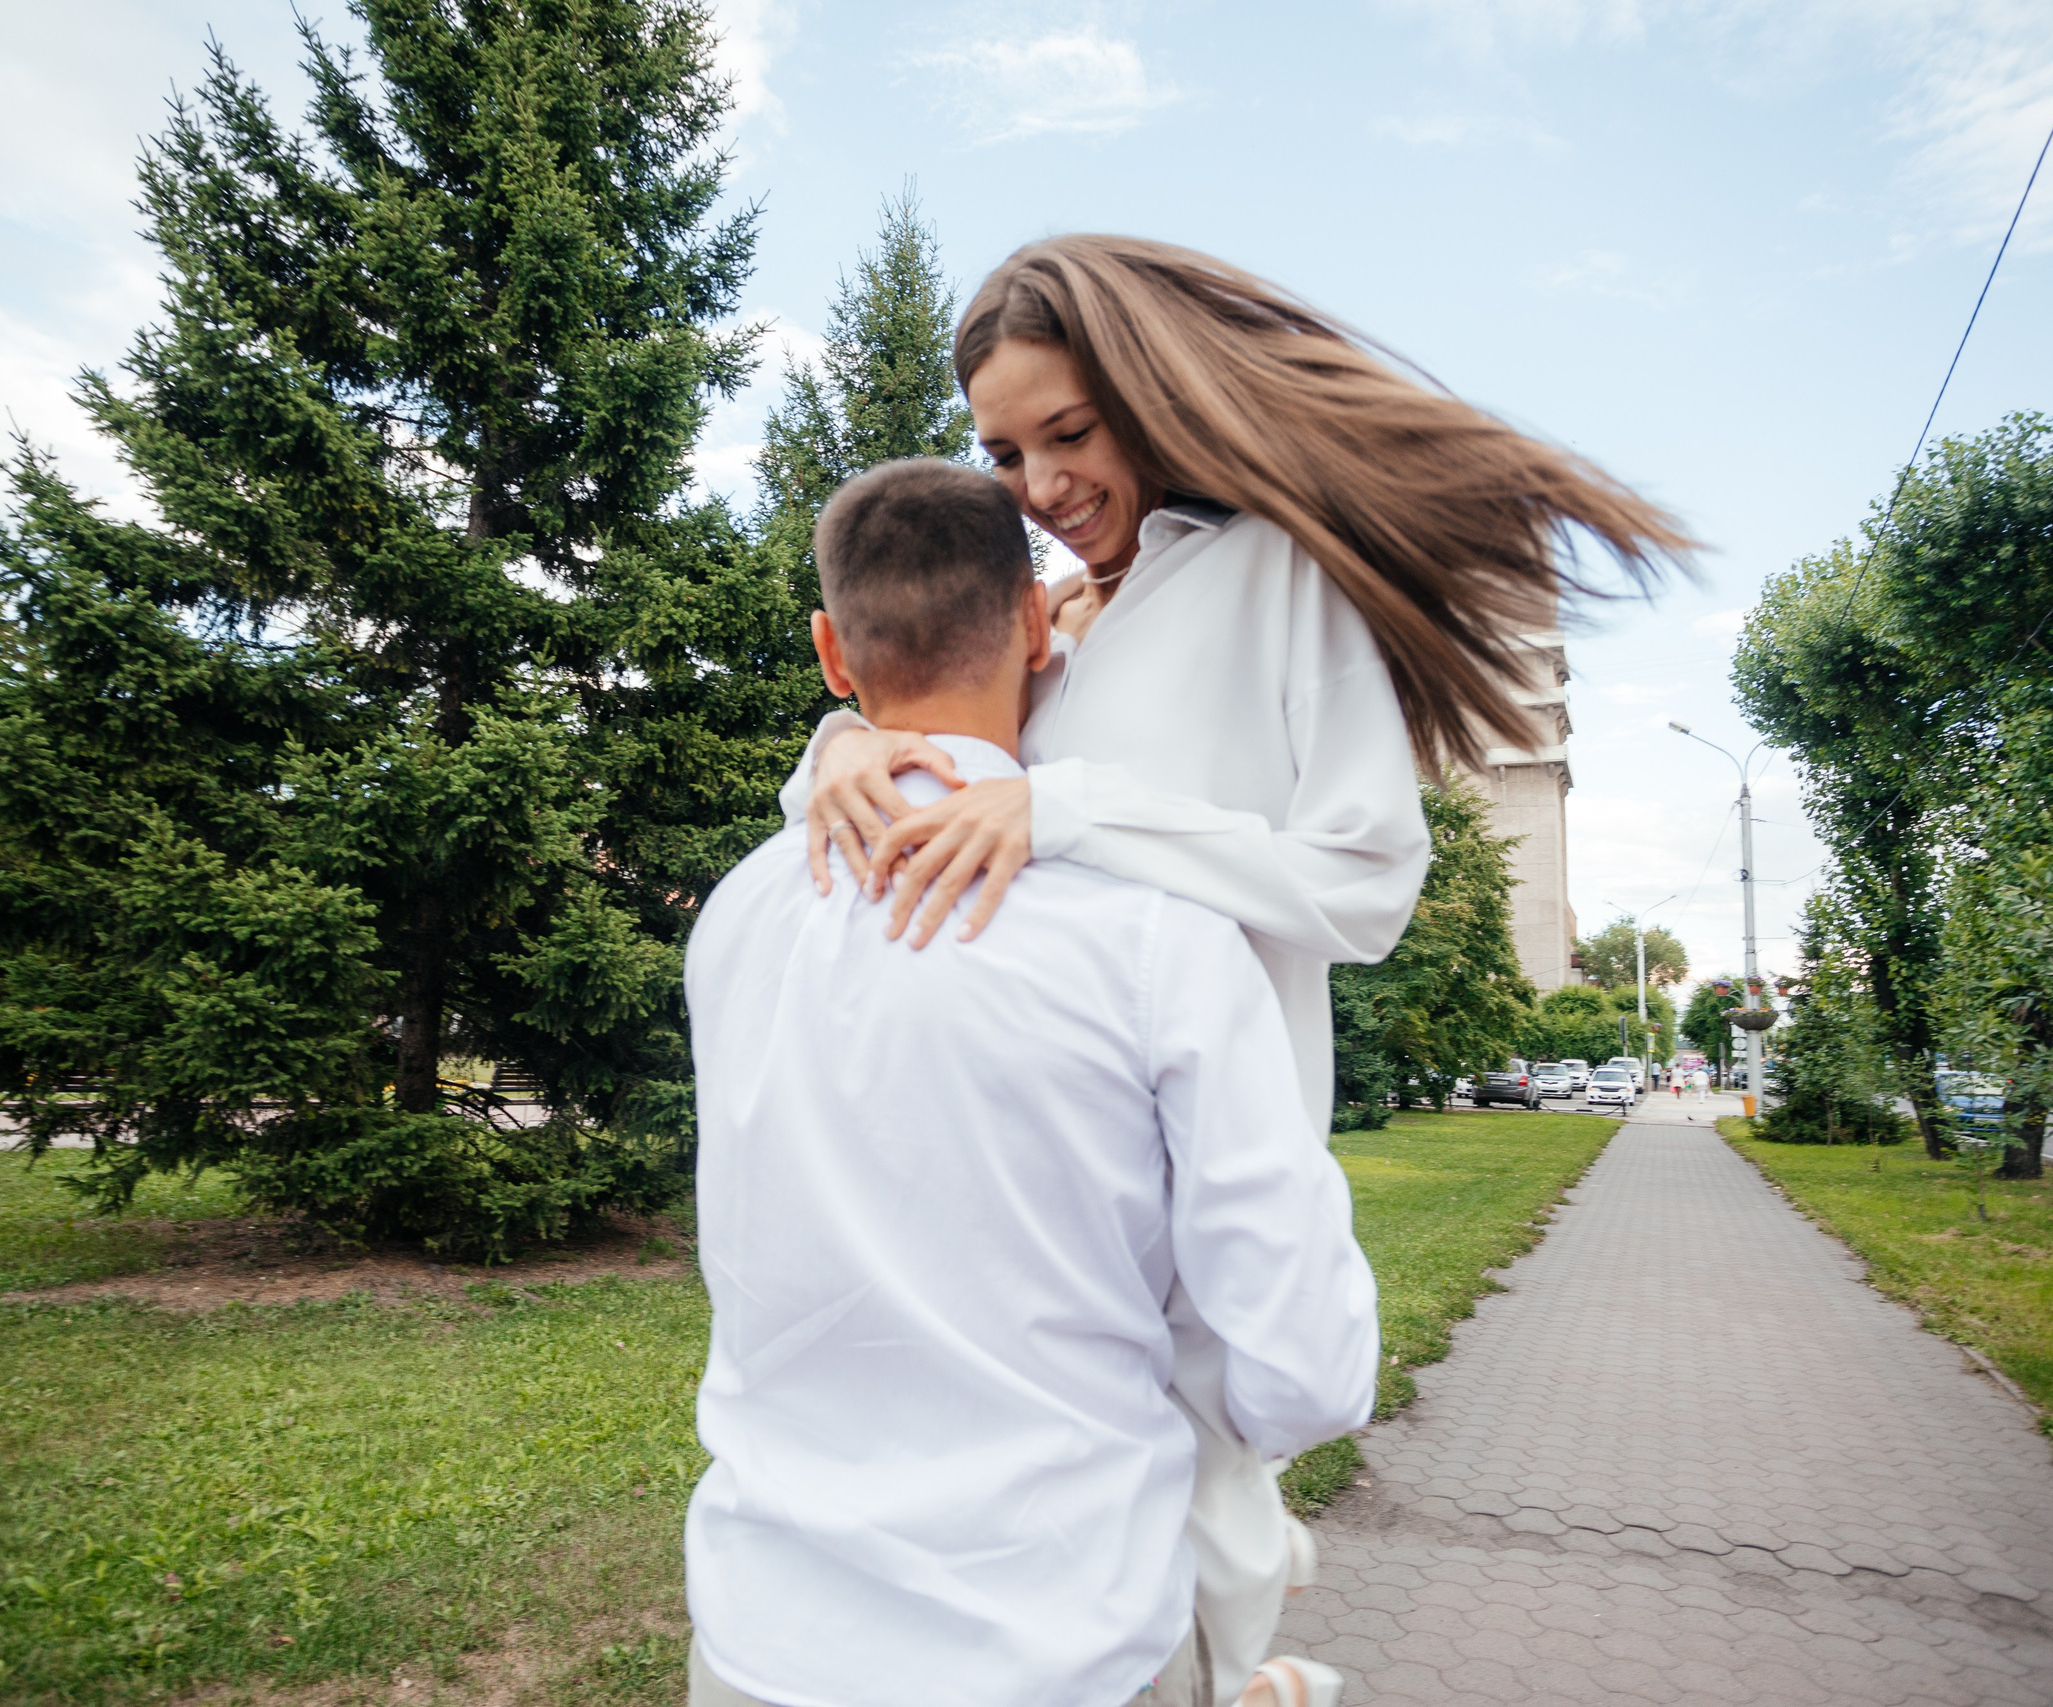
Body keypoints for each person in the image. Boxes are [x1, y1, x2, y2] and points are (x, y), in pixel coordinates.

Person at [782, 235, 1691, 1705]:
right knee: (1094, 1558)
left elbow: (1364, 882)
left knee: (1169, 1547)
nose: (1039, 485)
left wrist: (1071, 809)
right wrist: (835, 747)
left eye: (1069, 432)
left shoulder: (1273, 577)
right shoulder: (1063, 618)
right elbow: (942, 759)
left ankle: (1250, 1653)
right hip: (1052, 1177)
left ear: (1151, 395)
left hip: (1216, 1160)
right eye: (1003, 453)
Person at [685, 459, 1380, 1707]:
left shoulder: (737, 913)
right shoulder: (1158, 933)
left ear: (831, 653)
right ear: (1033, 624)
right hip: (1063, 1635)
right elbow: (1308, 1367)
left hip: (764, 1630)